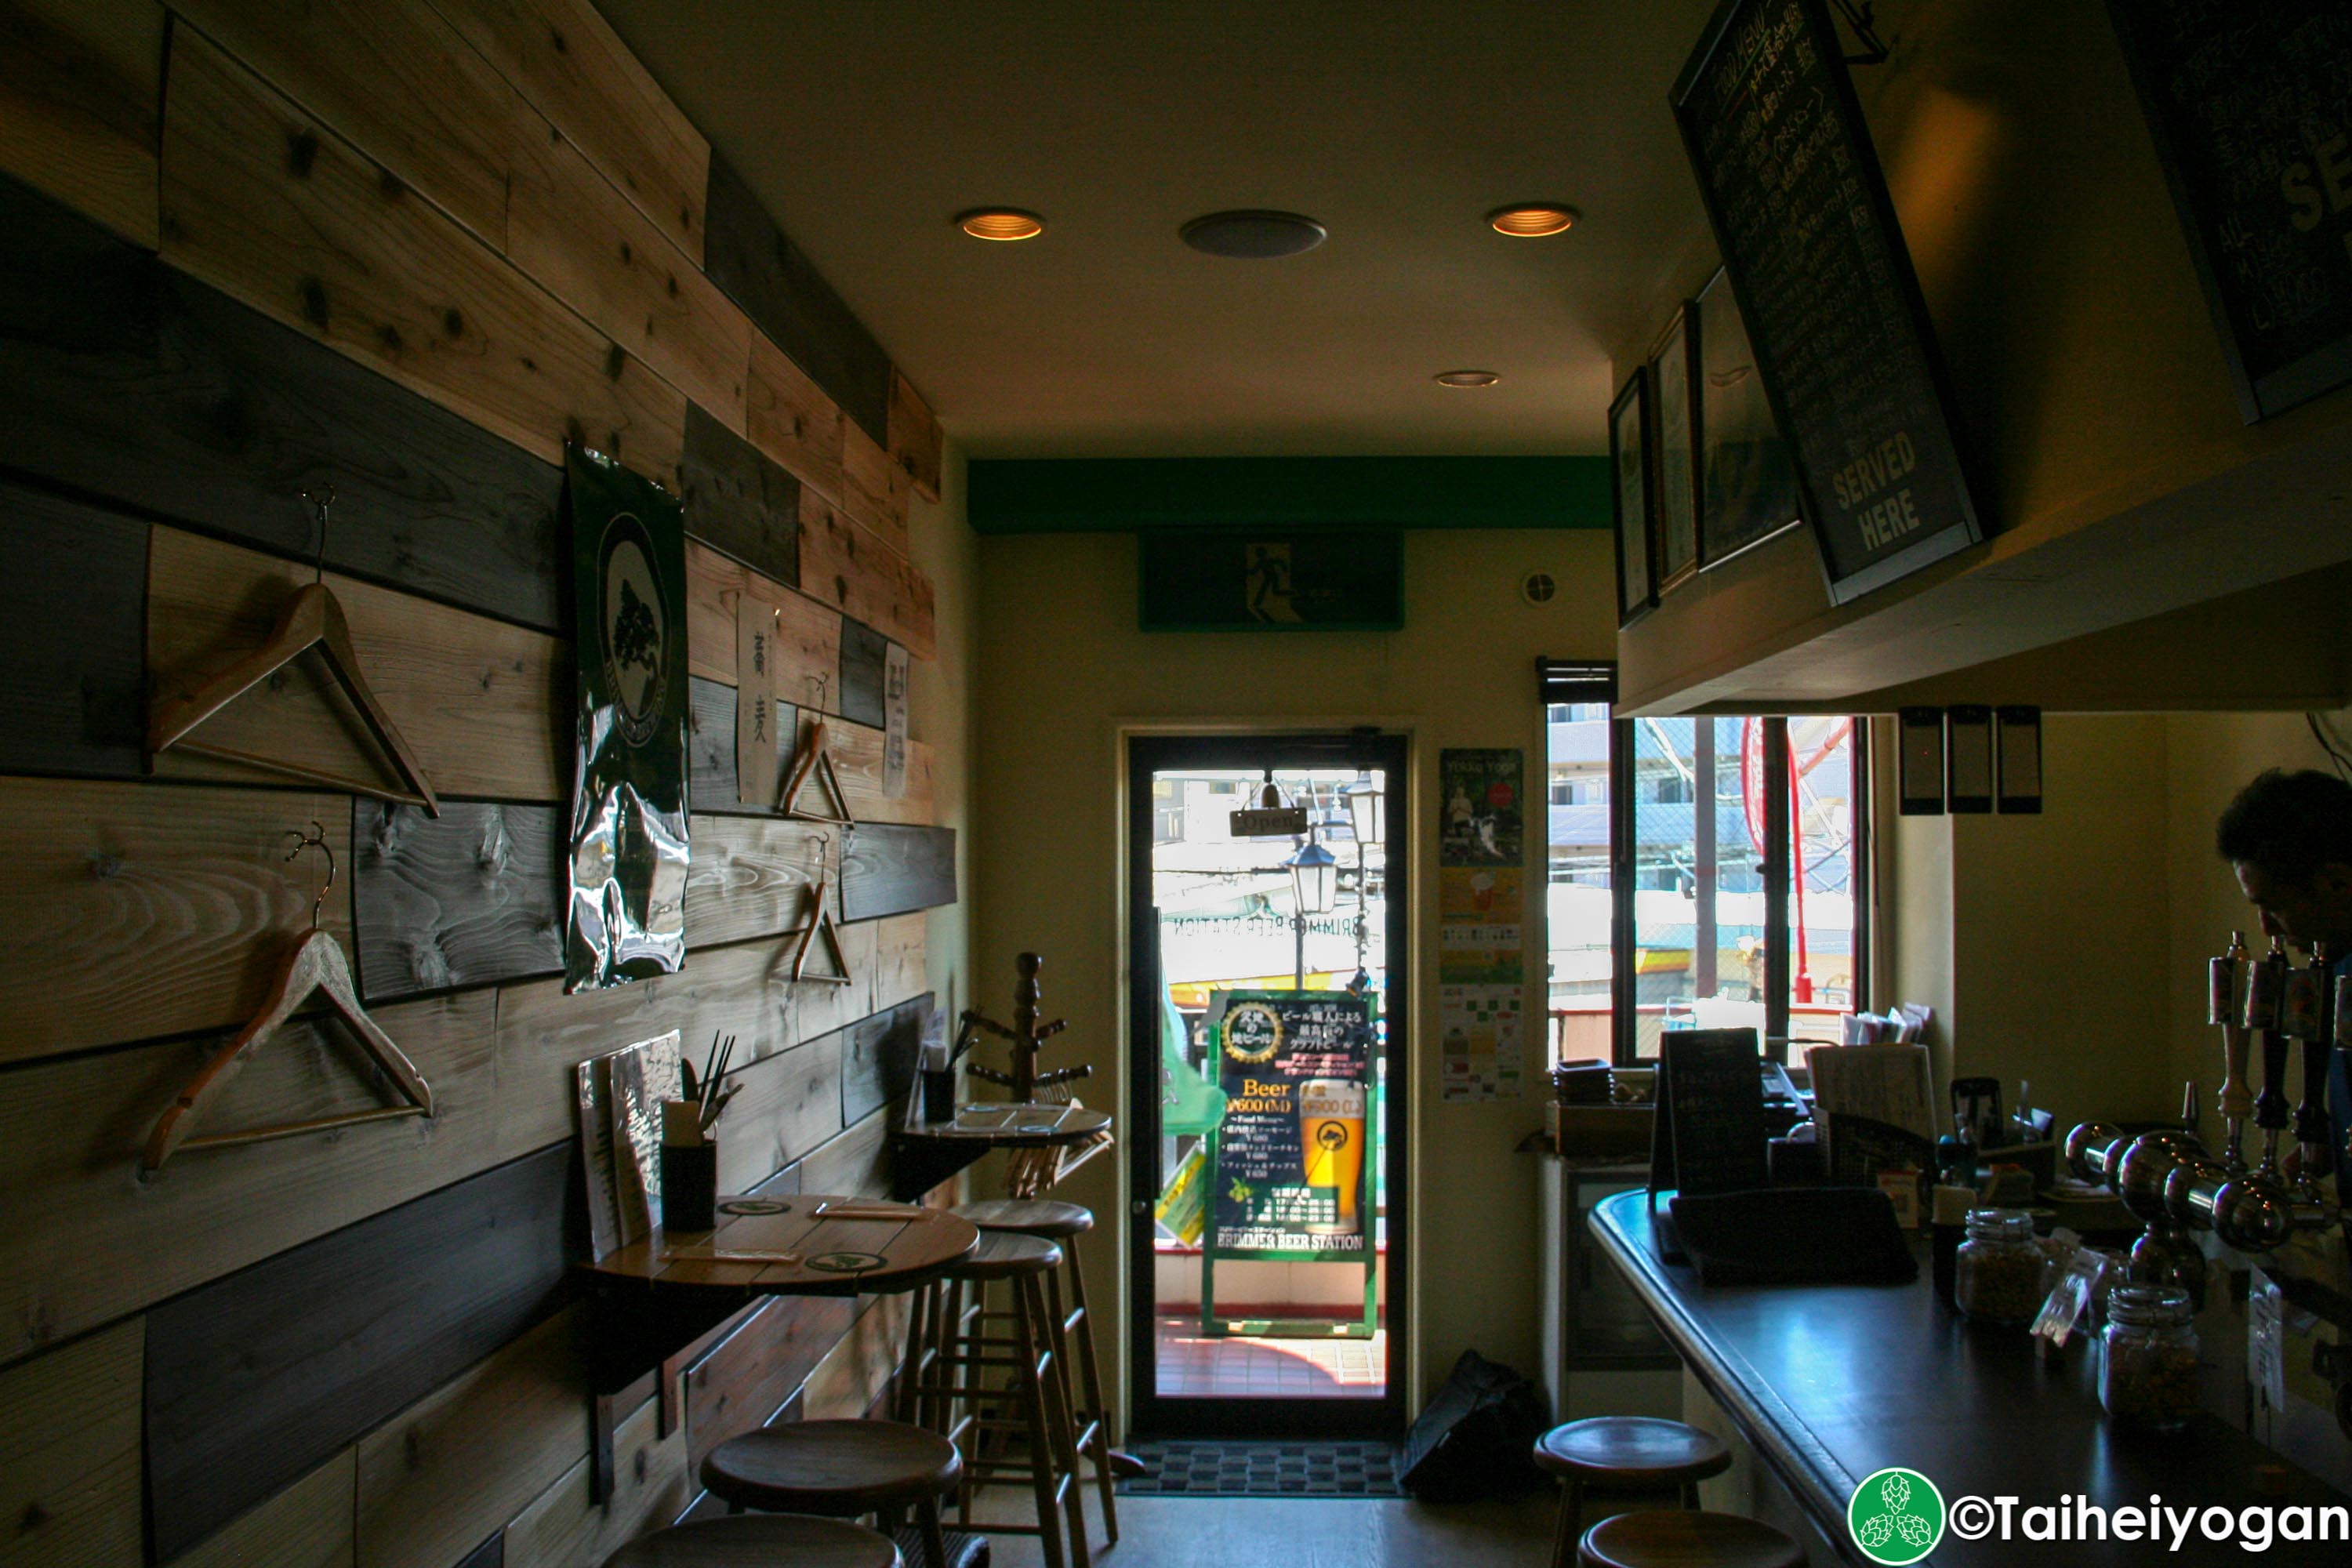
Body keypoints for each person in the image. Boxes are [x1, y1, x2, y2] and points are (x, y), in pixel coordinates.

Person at [2216, 768, 2352, 1199]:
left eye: (2274, 905)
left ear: (2335, 881)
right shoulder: (2338, 967)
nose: (2266, 927)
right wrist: (2333, 1145)